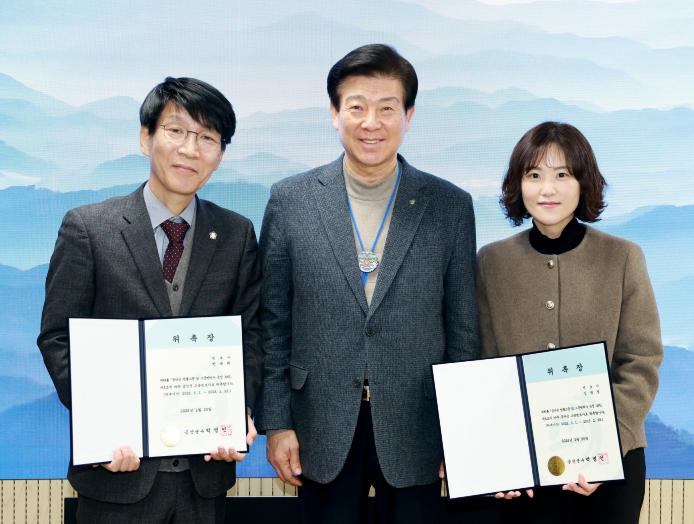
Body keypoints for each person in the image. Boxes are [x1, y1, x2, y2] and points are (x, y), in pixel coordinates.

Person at [254, 44, 479, 524]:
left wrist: (459, 433)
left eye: (387, 108)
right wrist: (277, 422)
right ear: (334, 113)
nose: (371, 123)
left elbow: (463, 330)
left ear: (408, 116)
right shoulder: (291, 200)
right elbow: (273, 321)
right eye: (356, 107)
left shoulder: (449, 206)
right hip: (319, 423)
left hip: (418, 424)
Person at [37, 76, 263, 524]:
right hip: (117, 480)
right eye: (176, 131)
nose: (190, 149)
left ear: (220, 154)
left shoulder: (236, 234)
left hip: (203, 481)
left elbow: (250, 336)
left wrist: (238, 411)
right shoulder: (89, 229)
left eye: (207, 138)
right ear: (146, 138)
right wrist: (101, 425)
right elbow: (58, 338)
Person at [476, 121, 663, 524]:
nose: (547, 189)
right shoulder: (491, 261)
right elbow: (487, 365)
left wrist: (605, 448)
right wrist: (497, 456)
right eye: (534, 175)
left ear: (583, 183)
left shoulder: (623, 257)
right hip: (523, 468)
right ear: (518, 184)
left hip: (610, 466)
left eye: (562, 175)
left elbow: (641, 361)